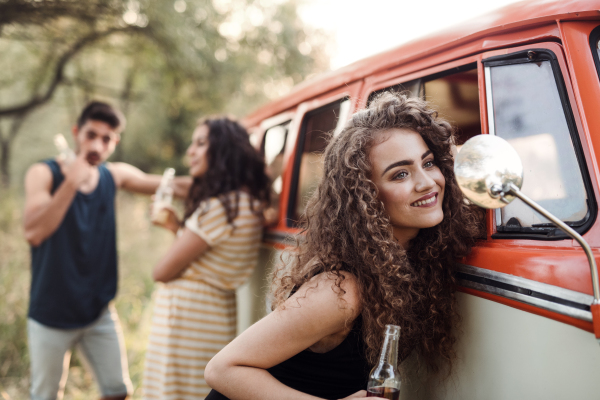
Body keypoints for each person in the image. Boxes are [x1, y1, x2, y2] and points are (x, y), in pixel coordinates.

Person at [203, 92, 483, 400]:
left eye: (428, 162)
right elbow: (223, 369)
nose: (427, 182)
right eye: (400, 173)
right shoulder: (341, 291)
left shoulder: (406, 261)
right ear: (366, 196)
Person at [23, 101, 190, 400]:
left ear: (115, 142)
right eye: (91, 135)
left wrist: (232, 182)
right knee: (45, 396)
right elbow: (34, 233)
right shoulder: (43, 173)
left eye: (107, 138)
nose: (97, 144)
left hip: (98, 312)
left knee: (117, 391)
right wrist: (71, 183)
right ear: (76, 132)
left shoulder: (113, 175)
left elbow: (173, 185)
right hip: (51, 313)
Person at [141, 117, 270, 400]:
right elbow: (208, 257)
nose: (191, 151)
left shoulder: (219, 208)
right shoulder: (245, 203)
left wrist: (173, 228)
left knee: (176, 392)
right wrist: (177, 227)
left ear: (223, 150)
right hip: (212, 314)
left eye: (201, 143)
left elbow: (162, 271)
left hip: (188, 319)